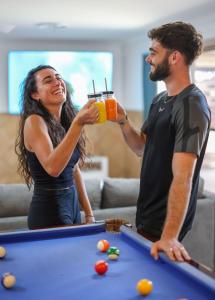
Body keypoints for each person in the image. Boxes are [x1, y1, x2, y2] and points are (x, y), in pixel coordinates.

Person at [115, 22, 211, 262]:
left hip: (163, 225)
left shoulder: (192, 105)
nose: (149, 58)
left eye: (154, 52)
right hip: (146, 215)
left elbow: (183, 177)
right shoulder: (160, 100)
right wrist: (123, 121)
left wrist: (169, 236)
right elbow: (141, 148)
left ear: (175, 57)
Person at [15, 65, 99, 229]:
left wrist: (89, 213)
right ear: (35, 95)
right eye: (48, 80)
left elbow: (74, 170)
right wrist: (78, 123)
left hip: (72, 203)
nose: (58, 82)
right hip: (49, 209)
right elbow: (53, 168)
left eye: (58, 77)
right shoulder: (34, 121)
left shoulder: (65, 122)